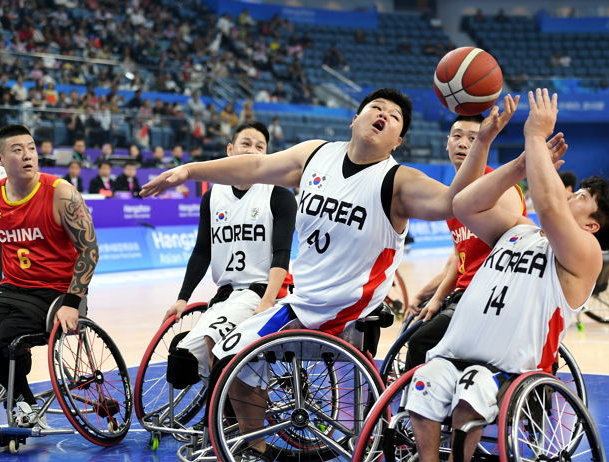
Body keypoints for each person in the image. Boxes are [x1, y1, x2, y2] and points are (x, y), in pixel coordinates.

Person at [142, 88, 517, 458]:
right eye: (376, 107)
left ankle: (251, 443)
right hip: (302, 301)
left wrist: (482, 143)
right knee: (226, 357)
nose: (382, 114)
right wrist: (188, 170)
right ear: (356, 119)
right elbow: (255, 166)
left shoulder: (398, 182)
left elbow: (454, 201)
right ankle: (256, 447)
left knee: (237, 358)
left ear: (397, 140)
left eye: (394, 116)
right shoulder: (315, 155)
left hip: (347, 308)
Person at [405, 90, 609, 462]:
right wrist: (521, 163)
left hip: (509, 368)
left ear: (593, 225)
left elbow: (548, 205)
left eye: (581, 196)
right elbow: (463, 205)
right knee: (423, 385)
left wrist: (536, 135)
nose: (570, 195)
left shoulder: (586, 255)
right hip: (455, 352)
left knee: (472, 391)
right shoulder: (519, 228)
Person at [0, 125, 98, 427]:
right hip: (13, 288)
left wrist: (72, 301)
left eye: (31, 148)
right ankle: (23, 399)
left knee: (7, 335)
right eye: (17, 150)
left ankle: (20, 394)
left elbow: (89, 250)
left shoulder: (60, 192)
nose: (28, 155)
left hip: (56, 292)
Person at [163, 121, 297, 387]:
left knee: (215, 344)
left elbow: (282, 252)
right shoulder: (212, 197)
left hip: (260, 291)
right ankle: (225, 415)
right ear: (230, 150)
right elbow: (202, 251)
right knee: (182, 363)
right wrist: (182, 298)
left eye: (260, 147)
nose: (252, 151)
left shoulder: (278, 194)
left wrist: (268, 300)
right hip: (225, 296)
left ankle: (224, 421)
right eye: (245, 143)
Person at [404, 108, 529, 370]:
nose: (463, 143)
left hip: (491, 296)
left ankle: (413, 410)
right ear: (447, 142)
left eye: (473, 138)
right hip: (464, 294)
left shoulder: (499, 186)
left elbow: (518, 247)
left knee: (420, 342)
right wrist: (433, 297)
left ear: (486, 140)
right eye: (457, 136)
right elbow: (457, 259)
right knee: (413, 325)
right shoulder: (453, 197)